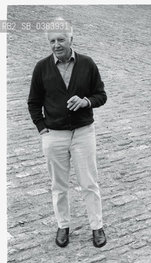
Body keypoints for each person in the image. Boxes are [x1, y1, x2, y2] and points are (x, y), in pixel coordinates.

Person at [27, 19, 107, 248]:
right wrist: (43, 130)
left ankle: (97, 226)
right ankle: (63, 226)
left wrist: (86, 102)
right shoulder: (41, 68)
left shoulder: (87, 64)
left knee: (89, 183)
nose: (56, 45)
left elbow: (101, 95)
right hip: (54, 135)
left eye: (61, 39)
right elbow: (33, 103)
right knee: (58, 185)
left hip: (83, 133)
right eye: (52, 41)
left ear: (71, 39)